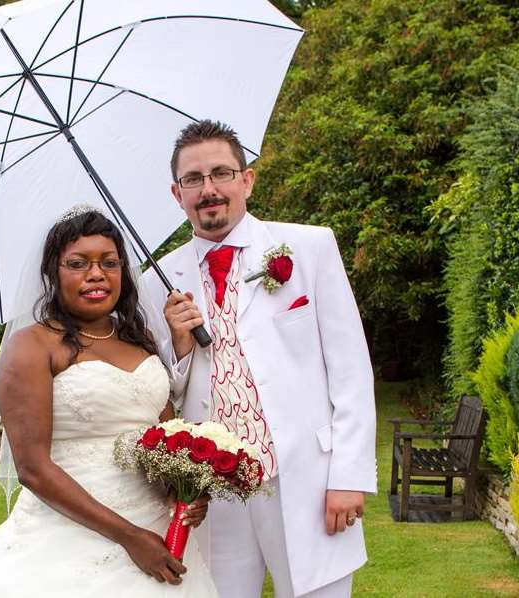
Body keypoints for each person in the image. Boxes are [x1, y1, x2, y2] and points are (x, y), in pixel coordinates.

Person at [139, 120, 377, 598]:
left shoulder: (308, 248)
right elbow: (158, 396)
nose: (209, 189)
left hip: (306, 479)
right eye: (193, 179)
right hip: (214, 491)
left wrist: (349, 476)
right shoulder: (155, 282)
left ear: (246, 180)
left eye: (221, 173)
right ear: (176, 192)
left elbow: (350, 369)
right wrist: (181, 347)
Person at [0, 208, 218, 597]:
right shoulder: (32, 346)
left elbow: (164, 440)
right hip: (73, 531)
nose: (96, 274)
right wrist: (129, 537)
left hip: (158, 527)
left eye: (109, 263)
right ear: (53, 274)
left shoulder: (138, 338)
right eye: (78, 263)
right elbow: (33, 469)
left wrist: (185, 491)